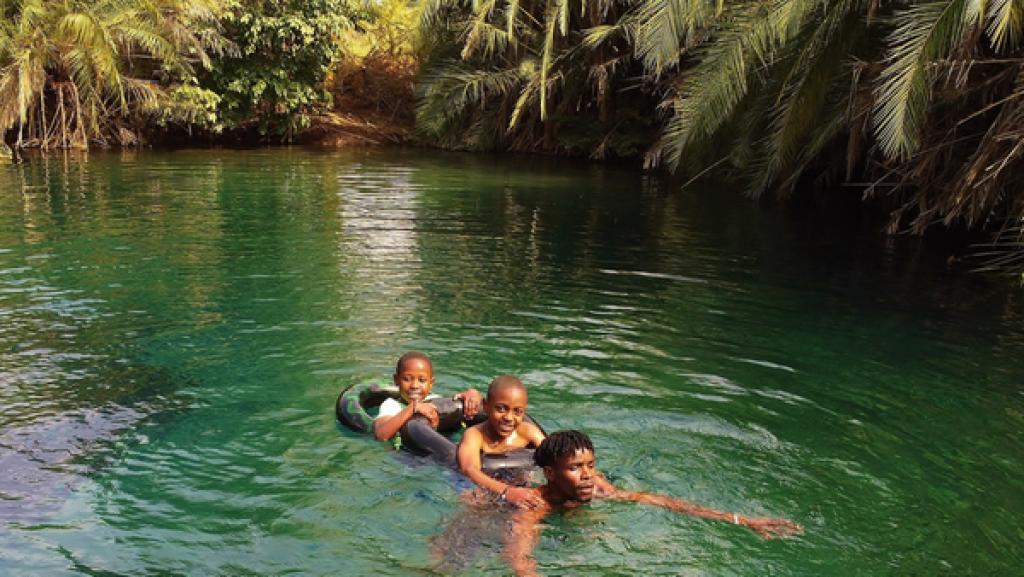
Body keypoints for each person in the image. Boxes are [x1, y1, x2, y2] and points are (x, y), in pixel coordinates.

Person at [503, 430, 803, 577]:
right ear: (550, 473)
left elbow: (667, 503)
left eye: (591, 465)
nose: (587, 475)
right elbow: (520, 558)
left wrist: (742, 520)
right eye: (575, 468)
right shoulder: (534, 507)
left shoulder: (599, 489)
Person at [373, 351, 482, 463]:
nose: (414, 386)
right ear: (396, 380)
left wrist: (472, 395)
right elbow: (381, 435)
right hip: (409, 458)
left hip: (443, 451)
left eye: (422, 380)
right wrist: (412, 408)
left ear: (431, 383)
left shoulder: (437, 400)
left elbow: (459, 406)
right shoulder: (392, 406)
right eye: (407, 379)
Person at [457, 375, 546, 508]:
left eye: (517, 411)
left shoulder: (527, 432)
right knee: (471, 499)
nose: (509, 417)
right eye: (501, 408)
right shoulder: (475, 435)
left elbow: (554, 455)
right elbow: (469, 469)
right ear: (486, 406)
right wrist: (507, 491)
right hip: (486, 487)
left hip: (520, 481)